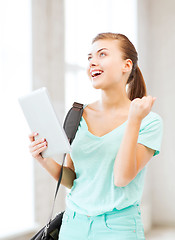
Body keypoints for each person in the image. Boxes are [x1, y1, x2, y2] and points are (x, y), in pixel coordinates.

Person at [29, 32, 163, 240]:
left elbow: (121, 178)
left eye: (102, 54)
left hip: (119, 228)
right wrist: (43, 159)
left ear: (126, 65)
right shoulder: (76, 115)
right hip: (74, 225)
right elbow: (73, 179)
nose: (93, 62)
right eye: (89, 57)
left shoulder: (148, 121)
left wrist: (134, 120)